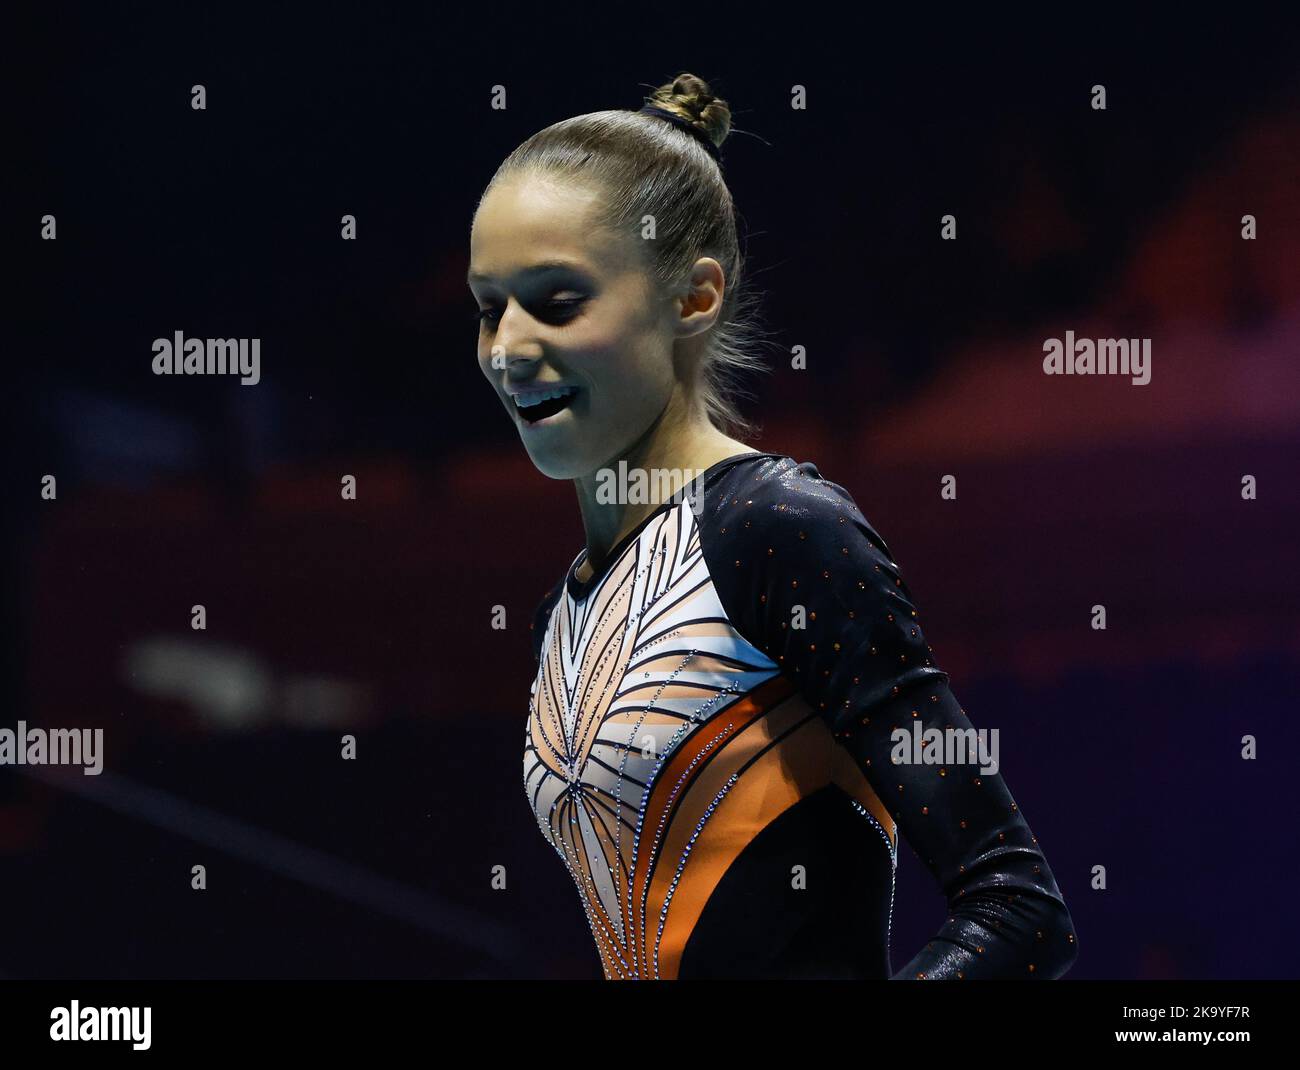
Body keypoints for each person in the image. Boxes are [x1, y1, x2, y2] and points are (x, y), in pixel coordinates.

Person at [468, 72, 1078, 979]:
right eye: (489, 307)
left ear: (694, 297)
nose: (509, 347)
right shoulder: (561, 612)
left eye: (558, 301)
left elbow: (1020, 909)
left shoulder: (779, 531)